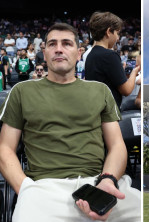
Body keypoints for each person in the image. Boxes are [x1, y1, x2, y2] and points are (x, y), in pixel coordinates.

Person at [0, 23, 141, 221]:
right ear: (45, 52)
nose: (59, 48)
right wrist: (26, 188)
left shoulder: (100, 90)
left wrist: (108, 180)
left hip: (99, 184)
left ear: (79, 53)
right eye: (52, 44)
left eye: (66, 43)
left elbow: (117, 145)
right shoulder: (21, 91)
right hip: (43, 187)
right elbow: (5, 148)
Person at [85, 11, 140, 107]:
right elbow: (126, 90)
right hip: (108, 114)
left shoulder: (90, 55)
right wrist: (134, 73)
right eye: (117, 33)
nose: (118, 38)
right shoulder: (110, 55)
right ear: (108, 32)